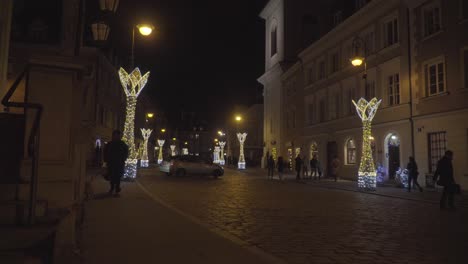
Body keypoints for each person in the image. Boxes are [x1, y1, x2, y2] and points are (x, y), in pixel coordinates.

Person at [104, 130, 129, 195]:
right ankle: (112, 188)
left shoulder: (122, 144)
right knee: (112, 177)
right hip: (111, 163)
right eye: (114, 135)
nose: (115, 136)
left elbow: (126, 152)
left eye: (117, 135)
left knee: (118, 177)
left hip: (119, 163)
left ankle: (117, 189)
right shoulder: (109, 144)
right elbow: (105, 153)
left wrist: (123, 159)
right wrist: (105, 161)